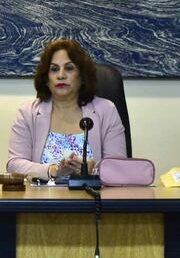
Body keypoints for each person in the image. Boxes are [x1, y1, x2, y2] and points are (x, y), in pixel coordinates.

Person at [7, 39, 127, 180]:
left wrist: (93, 169)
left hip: (92, 194)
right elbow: (14, 164)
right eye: (54, 69)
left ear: (82, 76)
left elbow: (119, 167)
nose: (61, 75)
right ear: (46, 78)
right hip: (42, 194)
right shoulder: (28, 113)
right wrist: (53, 170)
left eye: (69, 68)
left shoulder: (106, 110)